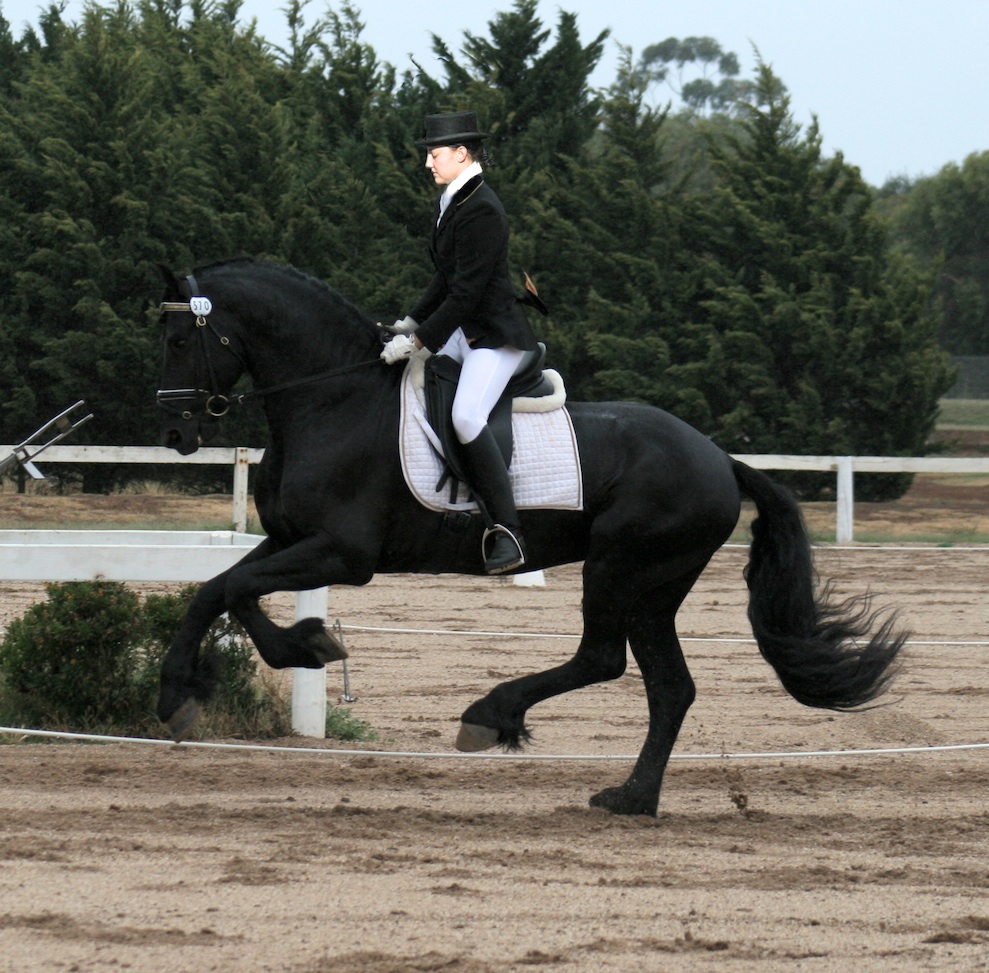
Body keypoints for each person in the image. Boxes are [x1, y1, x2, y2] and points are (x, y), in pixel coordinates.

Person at [380, 110, 540, 575]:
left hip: (493, 336)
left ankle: (507, 531)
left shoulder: (483, 208)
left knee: (467, 416)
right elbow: (444, 279)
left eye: (434, 154)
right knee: (407, 385)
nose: (429, 163)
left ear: (461, 153)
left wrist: (419, 340)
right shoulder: (453, 200)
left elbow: (467, 294)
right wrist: (409, 322)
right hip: (462, 332)